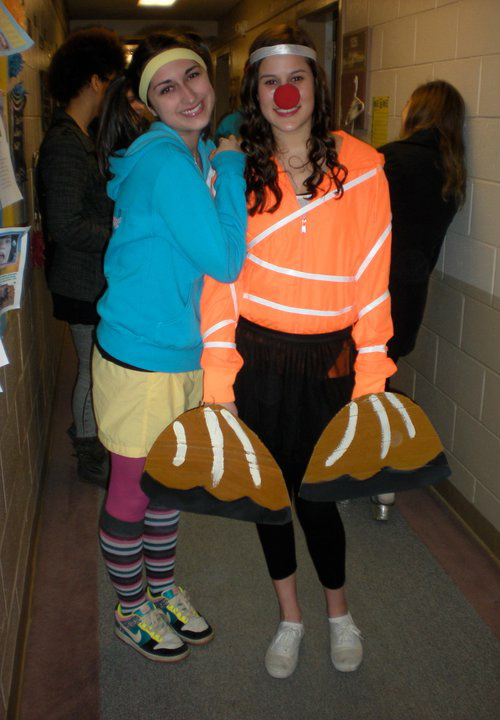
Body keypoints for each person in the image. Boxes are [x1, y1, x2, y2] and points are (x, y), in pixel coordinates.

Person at [200, 25, 395, 678]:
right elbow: (220, 284)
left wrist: (372, 379)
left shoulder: (364, 168)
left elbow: (373, 282)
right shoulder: (234, 171)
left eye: (297, 78)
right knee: (269, 496)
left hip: (328, 363)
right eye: (270, 81)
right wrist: (219, 382)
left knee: (318, 496)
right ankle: (291, 617)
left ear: (317, 84)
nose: (285, 93)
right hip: (256, 360)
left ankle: (339, 613)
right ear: (255, 93)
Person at [92, 32, 247, 663]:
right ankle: (131, 609)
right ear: (144, 102)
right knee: (133, 492)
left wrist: (223, 148)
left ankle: (160, 590)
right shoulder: (164, 161)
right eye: (167, 87)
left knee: (166, 486)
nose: (187, 94)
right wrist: (232, 167)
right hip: (141, 356)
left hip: (177, 350)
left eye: (193, 76)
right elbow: (225, 260)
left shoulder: (191, 152)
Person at [372, 80, 466, 521]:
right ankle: (382, 476)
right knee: (381, 374)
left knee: (357, 380)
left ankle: (366, 466)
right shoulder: (452, 173)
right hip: (410, 296)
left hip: (370, 293)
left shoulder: (389, 159)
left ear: (417, 111)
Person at [37, 27, 126, 486]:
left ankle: (87, 432)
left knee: (95, 370)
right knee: (92, 372)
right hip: (79, 283)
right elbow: (66, 224)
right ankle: (88, 449)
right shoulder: (65, 144)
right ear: (94, 81)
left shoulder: (80, 135)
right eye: (111, 80)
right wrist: (120, 236)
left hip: (90, 279)